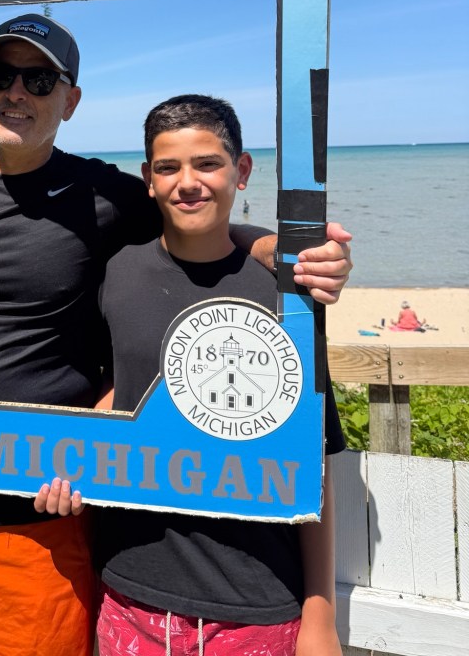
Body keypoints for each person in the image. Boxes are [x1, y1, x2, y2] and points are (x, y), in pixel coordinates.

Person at [0, 15, 352, 656]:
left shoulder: (104, 194)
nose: (16, 93)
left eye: (38, 78)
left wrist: (282, 251)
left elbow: (194, 211)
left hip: (36, 509)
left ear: (71, 99)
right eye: (1, 75)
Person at [37, 95, 344, 656]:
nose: (188, 183)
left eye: (208, 163)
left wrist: (320, 618)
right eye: (168, 167)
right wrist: (68, 460)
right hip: (128, 597)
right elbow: (111, 392)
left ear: (242, 171)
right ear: (148, 180)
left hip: (258, 607)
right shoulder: (116, 274)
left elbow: (313, 465)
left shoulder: (290, 300)